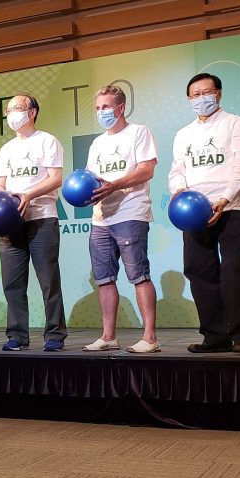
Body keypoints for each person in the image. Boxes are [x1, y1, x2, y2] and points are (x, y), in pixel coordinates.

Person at [168, 73, 240, 354]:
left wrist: (224, 198)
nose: (200, 99)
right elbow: (177, 170)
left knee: (233, 269)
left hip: (229, 207)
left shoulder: (235, 124)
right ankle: (214, 335)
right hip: (194, 212)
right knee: (198, 270)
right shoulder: (184, 134)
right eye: (194, 95)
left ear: (218, 94)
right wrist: (179, 190)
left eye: (205, 93)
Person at [83, 85, 159, 353]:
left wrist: (115, 184)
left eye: (105, 107)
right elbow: (91, 179)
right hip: (101, 217)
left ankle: (149, 338)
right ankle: (108, 336)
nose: (101, 112)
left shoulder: (138, 132)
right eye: (98, 108)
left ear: (120, 108)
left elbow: (146, 169)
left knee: (138, 274)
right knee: (104, 278)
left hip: (130, 211)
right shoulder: (97, 143)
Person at [0, 94, 67, 352]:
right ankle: (17, 335)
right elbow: (0, 183)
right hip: (10, 223)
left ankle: (55, 335)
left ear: (32, 112)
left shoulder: (47, 141)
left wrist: (28, 196)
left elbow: (56, 178)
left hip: (41, 218)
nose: (12, 114)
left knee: (48, 280)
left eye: (17, 109)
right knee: (12, 282)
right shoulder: (6, 149)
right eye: (9, 110)